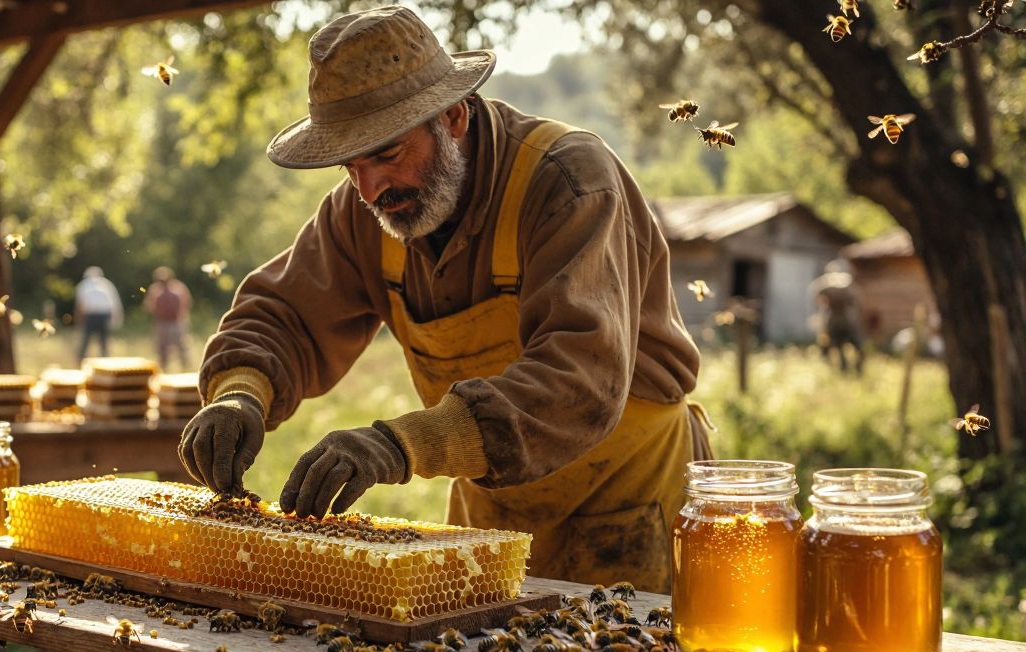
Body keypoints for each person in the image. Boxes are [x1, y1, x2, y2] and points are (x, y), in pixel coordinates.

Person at [179, 6, 709, 591]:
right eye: (351, 165)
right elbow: (284, 316)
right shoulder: (367, 209)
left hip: (630, 504)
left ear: (453, 115)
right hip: (495, 516)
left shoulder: (568, 180)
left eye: (387, 154)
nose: (371, 189)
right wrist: (239, 396)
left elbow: (580, 376)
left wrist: (401, 444)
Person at [808, 260, 864, 376]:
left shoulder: (825, 284)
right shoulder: (845, 282)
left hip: (833, 319)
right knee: (854, 346)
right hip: (846, 319)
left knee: (839, 347)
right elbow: (855, 300)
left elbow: (815, 296)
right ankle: (855, 370)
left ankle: (845, 369)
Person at [143, 266, 193, 372]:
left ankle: (185, 369)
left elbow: (186, 303)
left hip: (176, 322)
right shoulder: (155, 289)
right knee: (162, 350)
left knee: (181, 348)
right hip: (163, 323)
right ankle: (163, 369)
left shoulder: (178, 287)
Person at [74, 266, 123, 361]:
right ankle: (105, 361)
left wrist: (79, 320)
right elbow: (114, 303)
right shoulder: (107, 284)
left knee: (86, 340)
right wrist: (116, 318)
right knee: (103, 341)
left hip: (90, 316)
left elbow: (80, 305)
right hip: (104, 315)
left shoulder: (83, 285)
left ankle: (81, 361)